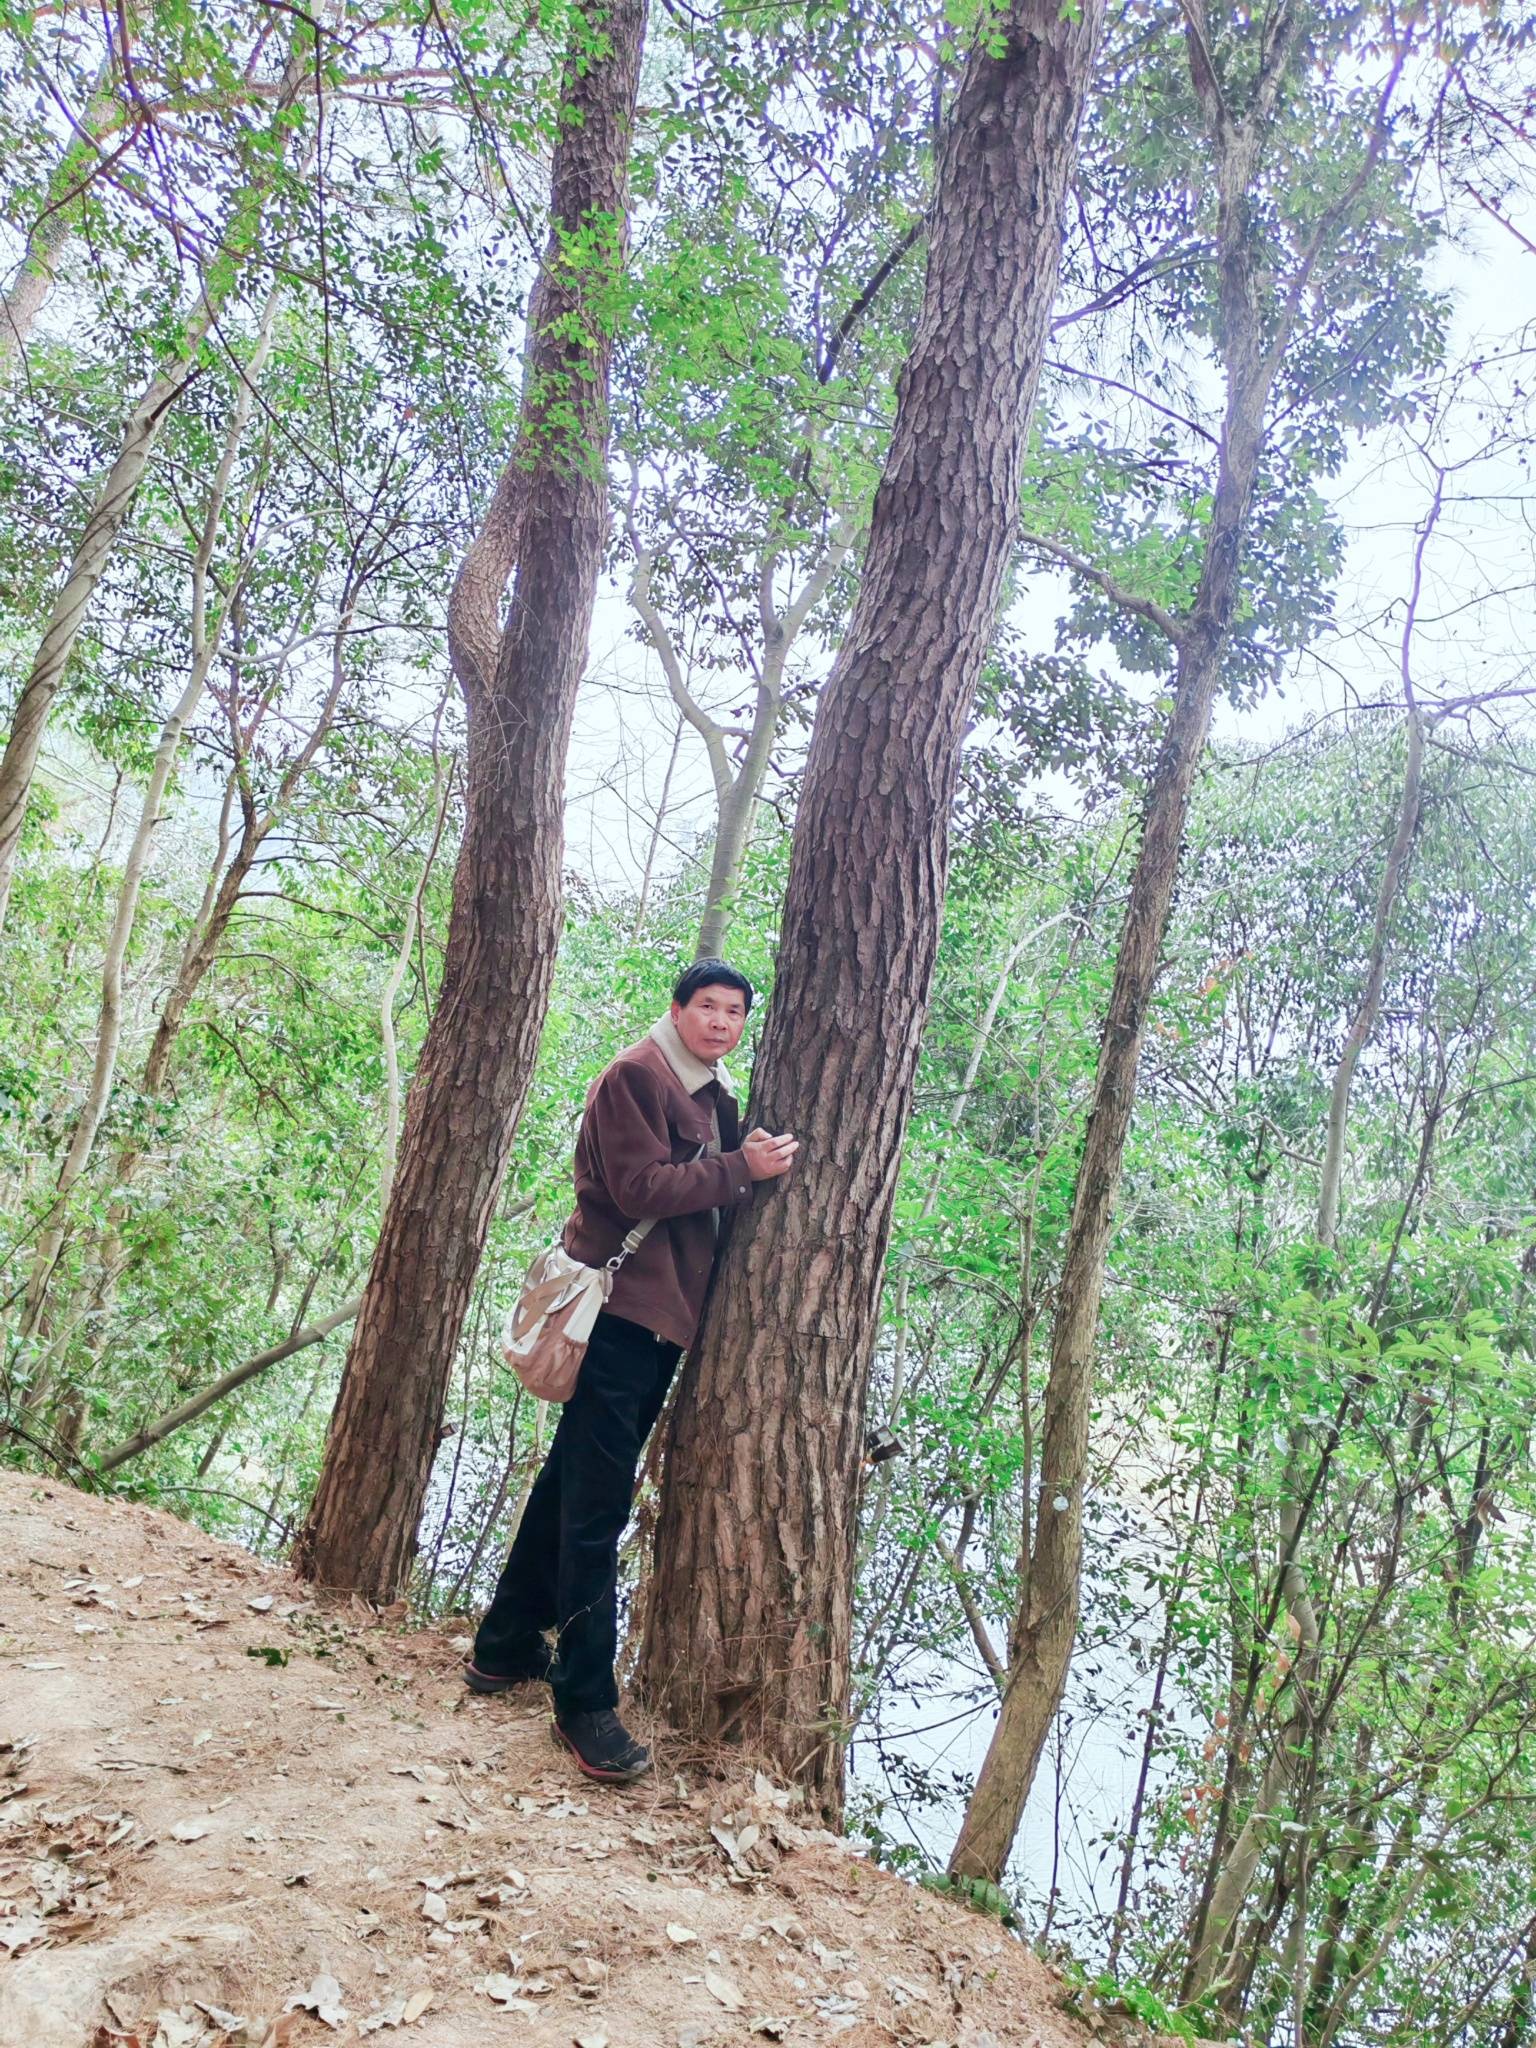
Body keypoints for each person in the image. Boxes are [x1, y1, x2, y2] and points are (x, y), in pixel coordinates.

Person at [465, 958, 797, 1782]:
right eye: (708, 1007)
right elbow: (641, 1187)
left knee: (569, 1484)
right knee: (596, 1508)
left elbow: (697, 1179)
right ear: (678, 1010)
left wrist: (739, 1155)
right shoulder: (637, 1076)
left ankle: (504, 1645)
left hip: (658, 1321)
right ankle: (584, 1705)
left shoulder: (709, 1089)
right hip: (619, 1319)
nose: (721, 1023)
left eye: (735, 1012)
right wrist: (742, 1169)